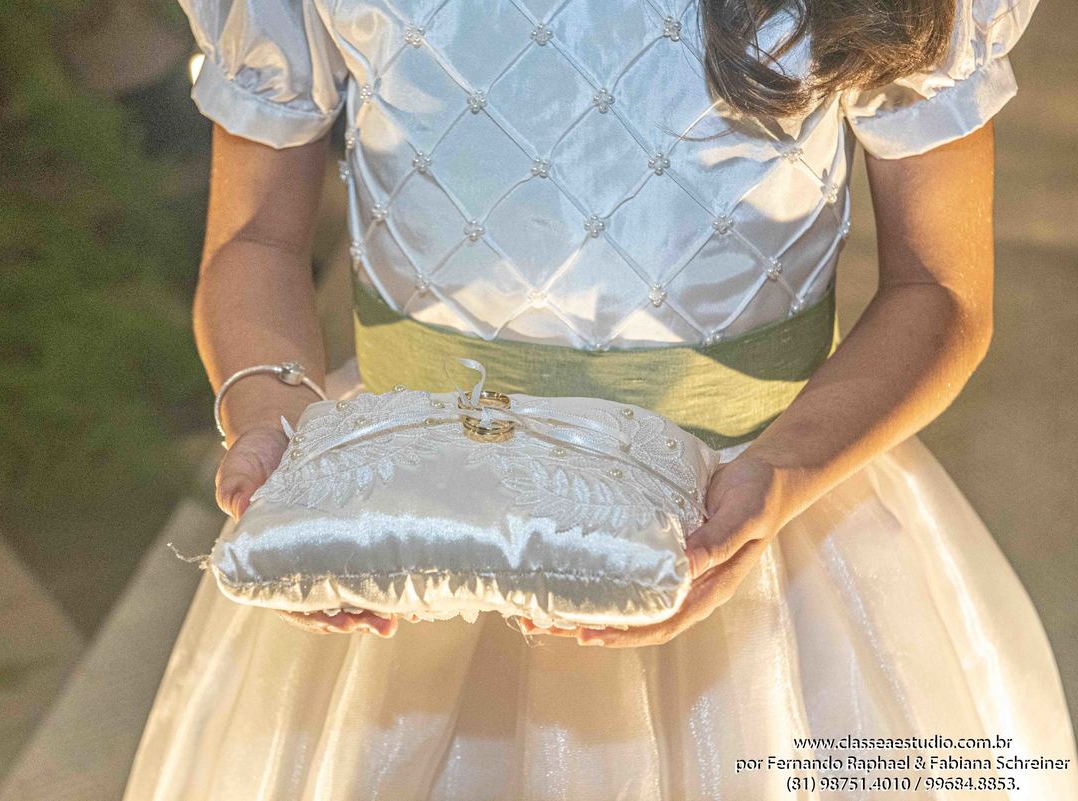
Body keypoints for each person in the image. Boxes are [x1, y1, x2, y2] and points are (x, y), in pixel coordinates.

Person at [124, 0, 1078, 797]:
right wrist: (276, 432)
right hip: (404, 516)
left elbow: (941, 290)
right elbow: (253, 240)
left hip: (754, 492)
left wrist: (781, 477)